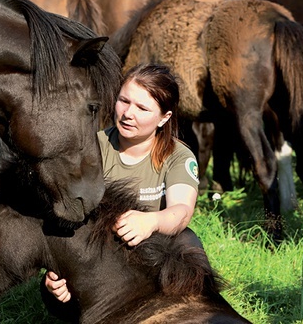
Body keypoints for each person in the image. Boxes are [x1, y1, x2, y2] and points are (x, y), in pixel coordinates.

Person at [44, 63, 201, 304]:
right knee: (54, 291)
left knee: (187, 240)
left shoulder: (178, 156)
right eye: (124, 101)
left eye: (142, 108)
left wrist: (151, 221)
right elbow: (67, 214)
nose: (128, 113)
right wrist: (58, 268)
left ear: (164, 117)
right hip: (99, 252)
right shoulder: (92, 147)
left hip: (154, 253)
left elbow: (181, 211)